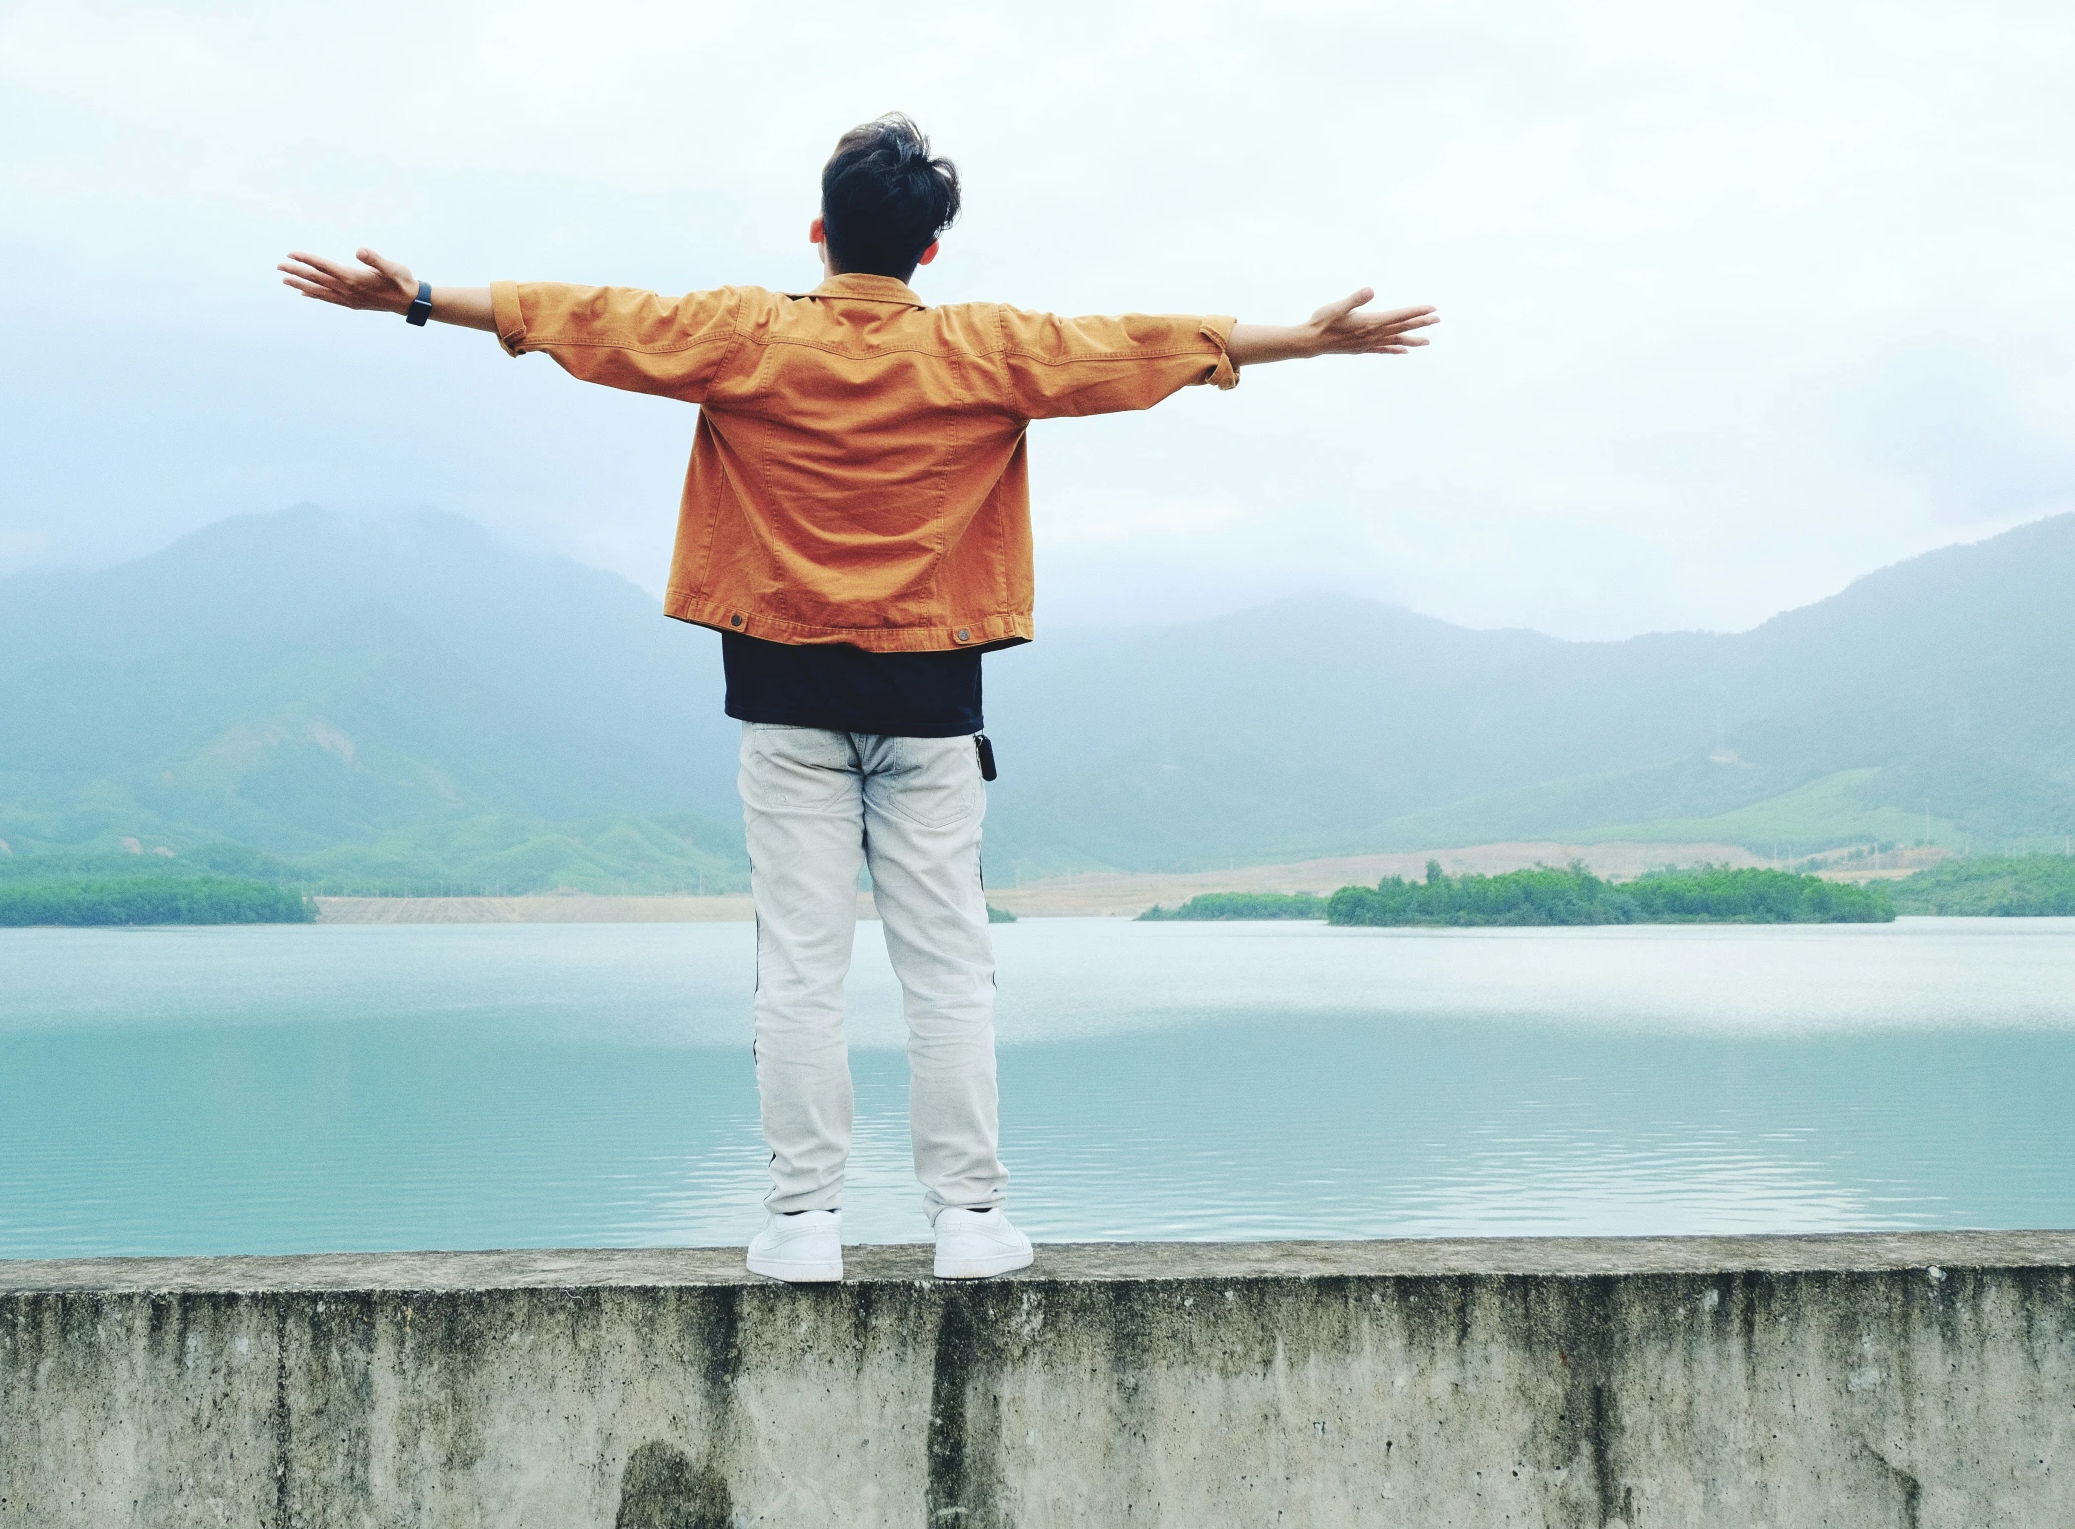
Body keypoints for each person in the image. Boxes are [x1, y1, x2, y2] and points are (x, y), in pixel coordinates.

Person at [281, 114, 1435, 1283]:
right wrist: (1305, 338)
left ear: (820, 235)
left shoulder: (743, 336)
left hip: (780, 698)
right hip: (934, 705)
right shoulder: (984, 349)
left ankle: (801, 1223)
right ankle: (970, 1221)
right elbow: (1134, 345)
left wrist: (421, 297)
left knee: (798, 966)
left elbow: (591, 319)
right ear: (929, 251)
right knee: (947, 966)